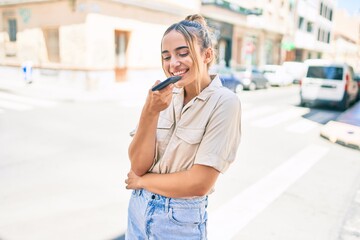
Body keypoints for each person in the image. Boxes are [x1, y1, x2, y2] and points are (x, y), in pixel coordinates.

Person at [125, 14, 241, 239]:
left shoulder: (225, 102)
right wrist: (150, 111)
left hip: (178, 220)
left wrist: (143, 181)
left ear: (207, 55)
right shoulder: (164, 97)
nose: (173, 64)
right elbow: (137, 165)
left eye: (183, 53)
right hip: (138, 208)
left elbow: (199, 182)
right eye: (166, 56)